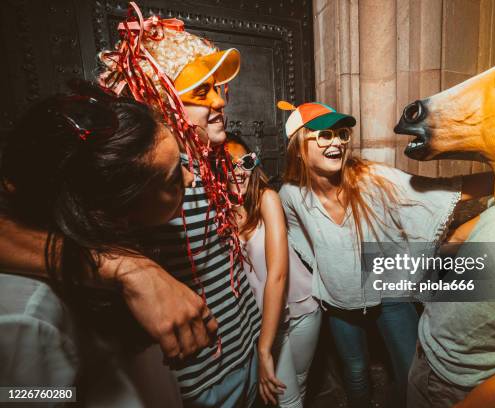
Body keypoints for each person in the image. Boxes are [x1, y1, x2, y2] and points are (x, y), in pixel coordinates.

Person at [0, 4, 261, 407]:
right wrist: (127, 267)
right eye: (201, 91)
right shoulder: (141, 170)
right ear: (162, 97)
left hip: (246, 347)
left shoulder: (210, 158)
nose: (220, 102)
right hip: (201, 377)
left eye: (218, 89)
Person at [277, 101, 494, 408]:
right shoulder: (290, 195)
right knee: (354, 370)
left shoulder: (369, 177)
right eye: (324, 135)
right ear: (299, 146)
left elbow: (434, 190)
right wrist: (327, 268)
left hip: (390, 292)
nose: (337, 142)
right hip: (338, 300)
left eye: (341, 134)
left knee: (409, 370)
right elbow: (298, 238)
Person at [0, 85, 194, 407]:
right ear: (114, 209)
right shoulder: (29, 318)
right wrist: (81, 394)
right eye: (174, 178)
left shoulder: (117, 249)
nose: (189, 178)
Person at [226, 136, 321, 407]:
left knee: (299, 382)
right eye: (228, 165)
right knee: (286, 399)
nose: (238, 172)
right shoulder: (217, 213)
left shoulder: (267, 198)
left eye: (244, 163)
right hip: (266, 319)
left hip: (302, 306)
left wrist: (263, 348)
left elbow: (277, 274)